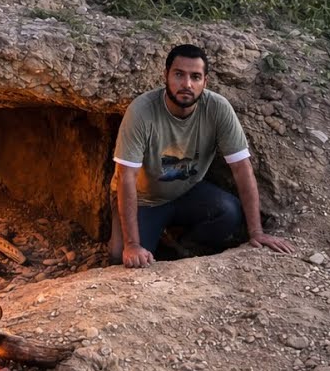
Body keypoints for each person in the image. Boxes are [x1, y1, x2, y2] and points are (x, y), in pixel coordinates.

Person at [110, 44, 294, 268]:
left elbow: (242, 168)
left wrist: (256, 232)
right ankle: (147, 239)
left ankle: (183, 246)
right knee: (120, 257)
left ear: (205, 82)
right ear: (165, 76)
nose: (187, 84)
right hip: (144, 199)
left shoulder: (218, 108)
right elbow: (126, 176)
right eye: (179, 74)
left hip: (188, 192)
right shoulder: (142, 111)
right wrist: (132, 244)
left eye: (195, 77)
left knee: (229, 212)